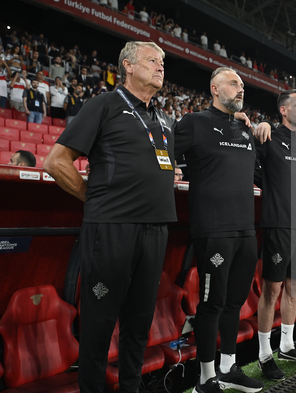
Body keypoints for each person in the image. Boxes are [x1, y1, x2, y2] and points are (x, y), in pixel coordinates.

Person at [44, 41, 176, 393]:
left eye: (163, 61)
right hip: (112, 229)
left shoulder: (163, 119)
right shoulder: (103, 105)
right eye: (152, 60)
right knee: (99, 324)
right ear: (128, 66)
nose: (161, 66)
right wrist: (95, 198)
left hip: (156, 229)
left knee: (139, 324)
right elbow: (56, 162)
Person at [175, 67, 264, 393]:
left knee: (234, 304)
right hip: (213, 230)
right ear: (214, 88)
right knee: (211, 304)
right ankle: (205, 378)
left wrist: (262, 127)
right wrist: (171, 171)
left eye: (242, 84)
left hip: (245, 231)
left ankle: (228, 368)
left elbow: (258, 174)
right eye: (233, 83)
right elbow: (164, 156)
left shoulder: (243, 129)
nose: (240, 88)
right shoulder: (193, 122)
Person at [254, 89, 296, 382]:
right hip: (278, 224)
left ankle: (288, 345)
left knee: (295, 288)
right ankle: (264, 355)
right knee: (272, 291)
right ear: (283, 110)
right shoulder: (268, 138)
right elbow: (249, 161)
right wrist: (258, 127)